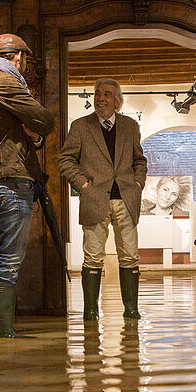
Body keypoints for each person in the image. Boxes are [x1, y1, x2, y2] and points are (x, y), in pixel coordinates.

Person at [0, 33, 55, 337]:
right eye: (25, 60)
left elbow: (24, 133)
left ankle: (3, 327)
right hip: (11, 180)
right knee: (9, 258)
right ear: (18, 58)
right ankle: (1, 329)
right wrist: (37, 126)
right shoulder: (5, 82)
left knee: (8, 255)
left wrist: (31, 134)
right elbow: (44, 119)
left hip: (8, 178)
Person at [59, 78, 148, 321]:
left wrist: (138, 183)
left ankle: (131, 309)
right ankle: (90, 311)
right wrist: (84, 186)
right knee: (93, 256)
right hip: (95, 198)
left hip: (126, 199)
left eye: (107, 94)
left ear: (117, 101)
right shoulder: (80, 126)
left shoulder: (130, 126)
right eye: (98, 94)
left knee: (129, 256)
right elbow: (65, 160)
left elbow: (139, 160)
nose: (100, 98)